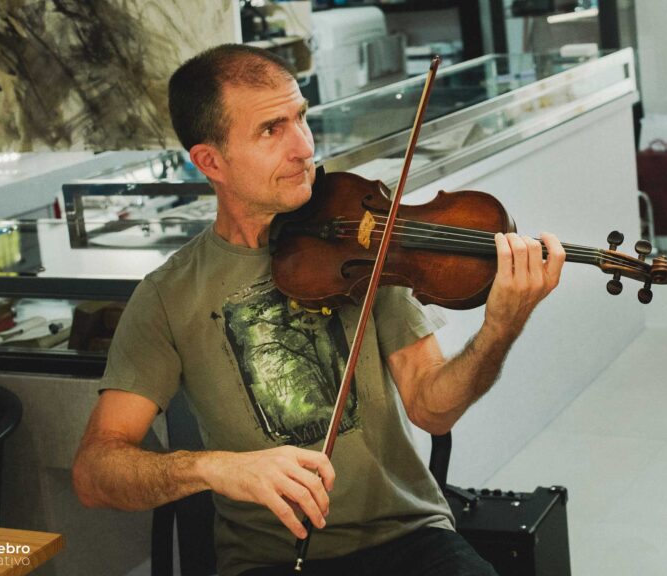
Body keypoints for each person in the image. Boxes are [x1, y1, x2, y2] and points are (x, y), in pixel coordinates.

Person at [72, 44, 566, 576]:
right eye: (271, 130)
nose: (304, 147)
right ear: (210, 161)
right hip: (270, 560)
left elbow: (432, 408)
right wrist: (215, 469)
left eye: (301, 117)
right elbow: (95, 473)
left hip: (411, 539)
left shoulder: (362, 233)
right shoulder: (168, 295)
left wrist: (500, 327)